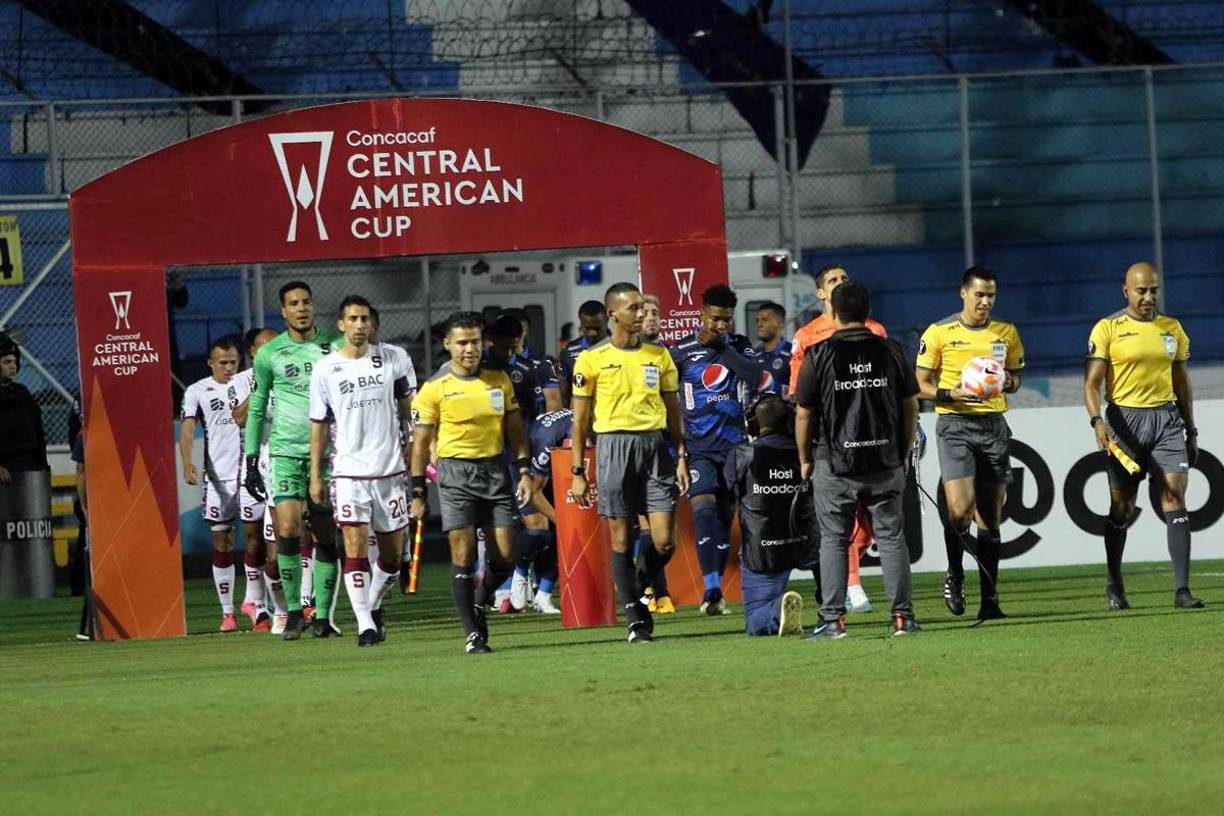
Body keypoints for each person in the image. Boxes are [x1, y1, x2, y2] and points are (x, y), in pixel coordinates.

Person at [795, 282, 921, 639]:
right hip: (884, 460)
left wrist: (804, 458)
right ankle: (902, 617)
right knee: (892, 537)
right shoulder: (891, 350)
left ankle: (833, 621)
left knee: (834, 539)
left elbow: (804, 414)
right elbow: (910, 404)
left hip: (834, 462)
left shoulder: (817, 355)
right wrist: (903, 448)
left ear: (833, 313)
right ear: (867, 312)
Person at [569, 283, 689, 644]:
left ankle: (637, 581)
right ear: (613, 314)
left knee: (665, 540)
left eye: (643, 308)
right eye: (634, 308)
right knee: (621, 537)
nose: (641, 314)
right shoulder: (590, 359)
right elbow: (579, 421)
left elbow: (673, 411)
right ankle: (636, 619)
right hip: (613, 447)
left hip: (655, 448)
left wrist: (681, 455)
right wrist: (578, 471)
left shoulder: (658, 355)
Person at [410, 312, 533, 654]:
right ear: (448, 344)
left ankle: (481, 600)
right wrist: (418, 491)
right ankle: (473, 633)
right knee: (463, 555)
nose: (469, 349)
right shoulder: (434, 388)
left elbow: (516, 432)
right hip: (455, 475)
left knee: (506, 556)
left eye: (475, 342)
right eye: (462, 342)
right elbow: (419, 445)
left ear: (484, 343)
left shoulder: (499, 380)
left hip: (496, 472)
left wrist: (523, 471)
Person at [1084, 262, 1202, 610]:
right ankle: (1114, 582)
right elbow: (1092, 383)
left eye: (1154, 290)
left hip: (1166, 421)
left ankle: (1182, 590)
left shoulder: (1172, 329)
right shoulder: (1108, 328)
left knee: (1174, 496)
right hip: (1124, 422)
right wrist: (1096, 421)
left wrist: (1190, 429)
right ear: (1126, 291)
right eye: (1142, 291)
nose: (1149, 297)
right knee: (1123, 507)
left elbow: (1181, 383)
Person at [915, 266, 1025, 621]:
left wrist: (1008, 382)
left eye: (991, 295)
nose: (986, 301)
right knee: (960, 510)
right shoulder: (939, 333)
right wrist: (950, 392)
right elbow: (919, 383)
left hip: (993, 426)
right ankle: (955, 573)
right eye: (979, 294)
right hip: (955, 424)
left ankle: (990, 600)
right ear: (963, 293)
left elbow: (1017, 377)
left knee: (990, 518)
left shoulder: (1006, 332)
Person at [309, 295, 414, 647]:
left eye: (364, 319)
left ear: (372, 324)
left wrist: (414, 463)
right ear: (341, 324)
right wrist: (315, 474)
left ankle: (371, 606)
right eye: (352, 319)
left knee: (391, 558)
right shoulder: (326, 368)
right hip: (349, 473)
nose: (359, 325)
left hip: (390, 472)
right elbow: (319, 425)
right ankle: (365, 625)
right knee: (353, 548)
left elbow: (408, 414)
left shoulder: (394, 359)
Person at [243, 281, 345, 640]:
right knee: (286, 531)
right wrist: (252, 459)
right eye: (293, 303)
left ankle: (323, 615)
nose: (301, 308)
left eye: (305, 302)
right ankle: (292, 613)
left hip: (326, 455)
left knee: (324, 534)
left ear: (313, 307)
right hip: (285, 452)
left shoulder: (334, 347)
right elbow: (256, 407)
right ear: (283, 311)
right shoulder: (270, 353)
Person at [787, 265, 887, 613]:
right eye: (833, 281)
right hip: (831, 442)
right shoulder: (807, 336)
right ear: (820, 294)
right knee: (839, 519)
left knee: (869, 525)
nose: (840, 284)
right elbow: (799, 395)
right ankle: (853, 586)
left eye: (845, 279)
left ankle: (846, 580)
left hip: (872, 438)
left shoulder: (874, 330)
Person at [670, 284, 761, 615]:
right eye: (715, 319)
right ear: (702, 314)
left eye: (726, 320)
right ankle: (710, 592)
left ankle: (718, 591)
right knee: (704, 512)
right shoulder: (680, 351)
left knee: (724, 521)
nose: (720, 325)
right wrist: (678, 452)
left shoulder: (739, 346)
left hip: (736, 448)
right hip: (699, 449)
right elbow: (668, 399)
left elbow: (754, 376)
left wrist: (724, 348)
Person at [726, 393, 814, 636]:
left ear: (755, 424)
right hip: (807, 542)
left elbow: (728, 491)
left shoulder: (741, 455)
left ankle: (777, 610)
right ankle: (832, 611)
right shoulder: (806, 451)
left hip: (762, 545)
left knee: (755, 621)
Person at [179, 338, 246, 632]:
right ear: (211, 363)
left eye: (233, 362)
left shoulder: (248, 384)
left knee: (262, 539)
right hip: (219, 476)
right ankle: (228, 613)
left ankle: (267, 607)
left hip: (252, 472)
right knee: (223, 542)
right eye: (223, 363)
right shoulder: (197, 391)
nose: (229, 368)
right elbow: (188, 427)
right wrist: (187, 461)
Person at [227, 327, 279, 632]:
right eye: (265, 348)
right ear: (252, 352)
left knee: (293, 537)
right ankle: (255, 602)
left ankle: (297, 602)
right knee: (255, 540)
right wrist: (261, 384)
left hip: (284, 464)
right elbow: (241, 418)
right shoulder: (240, 382)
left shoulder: (291, 375)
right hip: (252, 468)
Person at [520, 407, 575, 614]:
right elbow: (534, 491)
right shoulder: (547, 441)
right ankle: (519, 576)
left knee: (564, 536)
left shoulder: (594, 429)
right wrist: (563, 521)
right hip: (525, 470)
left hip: (555, 474)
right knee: (541, 532)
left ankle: (543, 595)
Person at [0, 332, 48, 482]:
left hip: (30, 470)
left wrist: (43, 467)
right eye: (7, 362)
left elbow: (39, 433)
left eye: (15, 362)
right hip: (5, 473)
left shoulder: (23, 393)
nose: (13, 366)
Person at [559, 300, 609, 404]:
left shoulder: (620, 347)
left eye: (597, 328)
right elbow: (564, 394)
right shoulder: (568, 352)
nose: (592, 333)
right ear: (581, 324)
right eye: (587, 328)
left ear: (607, 320)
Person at [753, 301, 792, 396]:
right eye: (757, 320)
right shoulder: (753, 356)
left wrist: (774, 387)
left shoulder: (794, 353)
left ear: (781, 324)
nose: (759, 324)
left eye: (765, 320)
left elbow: (804, 393)